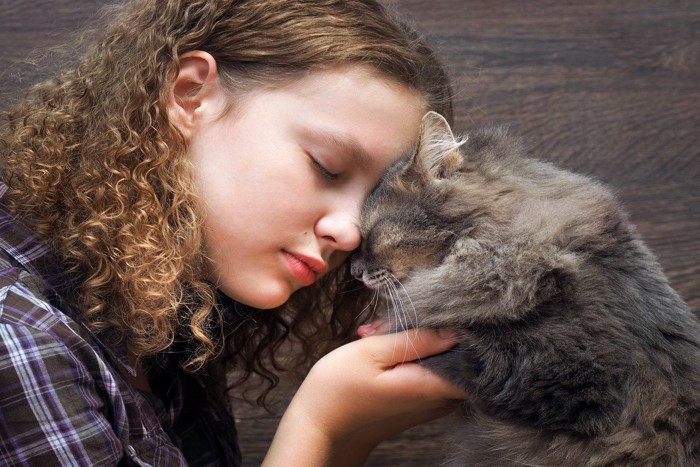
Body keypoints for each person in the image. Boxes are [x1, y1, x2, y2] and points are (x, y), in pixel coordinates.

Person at [0, 0, 466, 465]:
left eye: (372, 205)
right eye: (327, 167)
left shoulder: (167, 309)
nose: (349, 233)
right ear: (190, 95)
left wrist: (352, 432)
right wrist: (321, 425)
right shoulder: (20, 338)